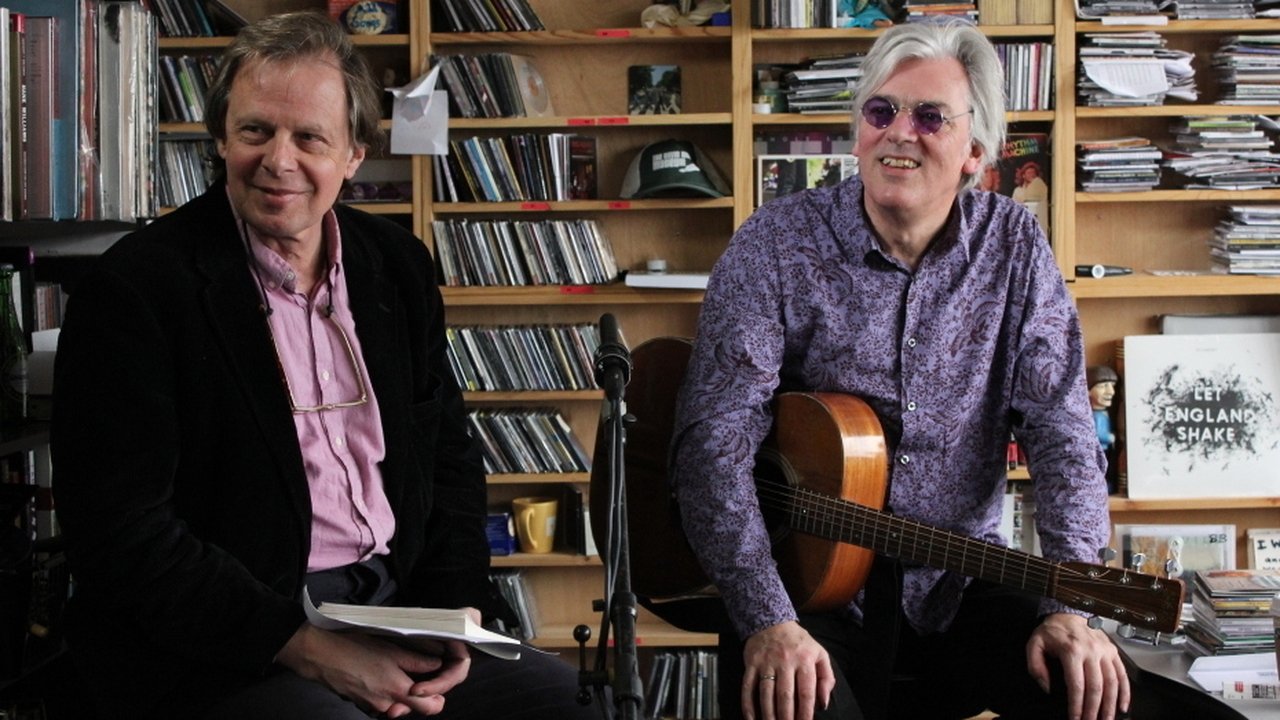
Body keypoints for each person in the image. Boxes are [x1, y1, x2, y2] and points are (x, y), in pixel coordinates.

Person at [51, 13, 596, 720]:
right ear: (220, 137)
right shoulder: (137, 289)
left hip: (400, 611)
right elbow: (122, 531)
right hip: (229, 641)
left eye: (310, 137)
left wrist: (455, 613)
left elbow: (448, 461)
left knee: (563, 702)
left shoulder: (396, 268)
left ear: (354, 154)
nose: (279, 160)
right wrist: (304, 644)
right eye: (255, 131)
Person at [672, 21, 1133, 720]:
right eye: (881, 111)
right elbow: (714, 444)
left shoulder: (1014, 248)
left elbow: (1065, 435)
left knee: (1098, 697)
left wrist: (1072, 608)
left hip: (958, 581)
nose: (899, 133)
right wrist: (767, 618)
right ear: (858, 133)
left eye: (929, 117)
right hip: (804, 586)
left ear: (976, 150)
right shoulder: (773, 245)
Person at [1089, 365, 1119, 452]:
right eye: (1103, 386)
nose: (1111, 392)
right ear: (1088, 391)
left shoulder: (1104, 413)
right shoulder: (1096, 416)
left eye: (1112, 385)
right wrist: (1110, 437)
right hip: (1100, 449)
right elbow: (1095, 434)